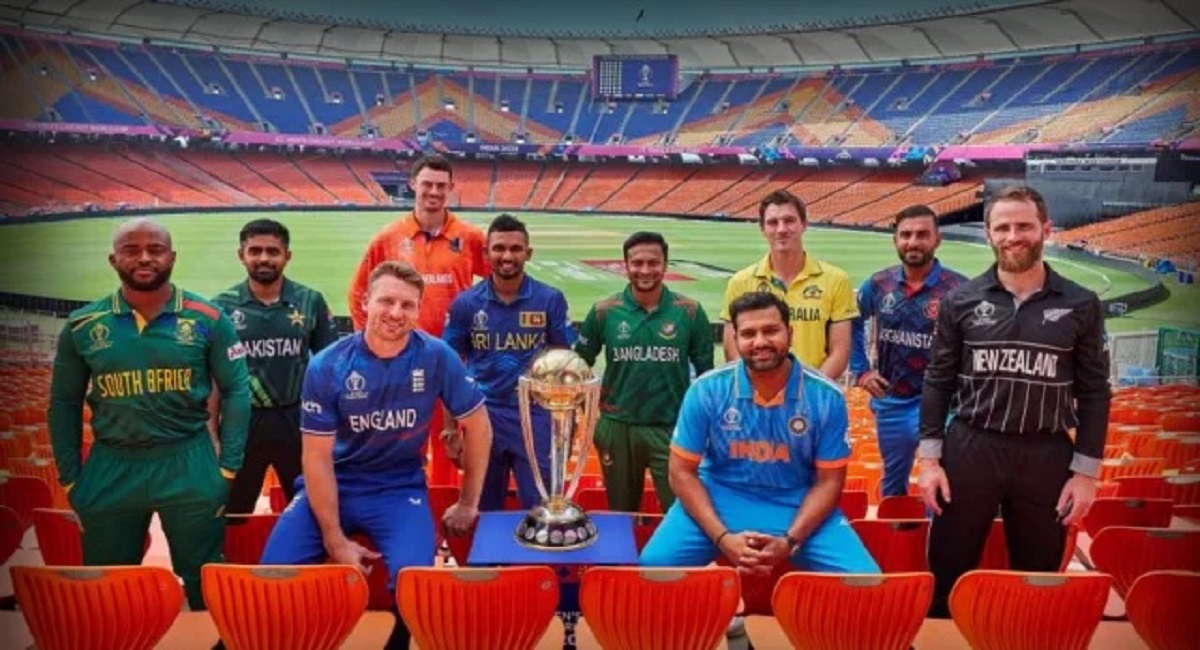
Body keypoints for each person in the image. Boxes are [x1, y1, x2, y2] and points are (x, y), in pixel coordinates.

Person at [262, 260, 491, 649]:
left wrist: (469, 502)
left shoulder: (436, 356)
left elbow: (480, 426)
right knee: (273, 574)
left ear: (418, 310)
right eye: (386, 301)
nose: (396, 313)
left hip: (398, 489)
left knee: (413, 580)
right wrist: (334, 540)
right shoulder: (328, 364)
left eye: (407, 305)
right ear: (365, 302)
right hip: (335, 483)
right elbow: (316, 458)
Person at [918, 185, 1110, 617]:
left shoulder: (1081, 303)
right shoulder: (960, 301)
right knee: (948, 575)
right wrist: (929, 461)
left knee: (1036, 578)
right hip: (971, 446)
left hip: (1046, 452)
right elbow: (938, 380)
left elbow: (1095, 391)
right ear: (988, 233)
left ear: (1046, 229)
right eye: (1002, 227)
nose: (1012, 236)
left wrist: (1086, 474)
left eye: (1023, 226)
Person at [47, 218, 250, 611]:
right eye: (131, 249)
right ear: (113, 260)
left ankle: (215, 636)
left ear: (172, 257)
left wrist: (228, 467)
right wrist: (71, 478)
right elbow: (64, 403)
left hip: (188, 461)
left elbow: (237, 391)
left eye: (155, 250)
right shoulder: (83, 325)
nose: (144, 258)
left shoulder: (207, 318)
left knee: (205, 582)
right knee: (106, 588)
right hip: (112, 464)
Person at [640, 291, 878, 576]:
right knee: (653, 566)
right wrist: (722, 538)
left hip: (796, 502)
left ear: (790, 333)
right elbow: (680, 472)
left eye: (771, 331)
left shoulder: (826, 396)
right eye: (748, 334)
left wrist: (789, 541)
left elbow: (830, 482)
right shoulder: (707, 390)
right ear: (735, 339)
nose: (760, 342)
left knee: (865, 579)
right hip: (719, 497)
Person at [347, 153, 489, 487]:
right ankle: (405, 506)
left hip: (454, 360)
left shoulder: (470, 237)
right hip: (402, 361)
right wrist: (373, 348)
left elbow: (499, 284)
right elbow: (359, 294)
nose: (434, 192)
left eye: (441, 185)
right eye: (427, 184)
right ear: (413, 184)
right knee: (402, 442)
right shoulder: (388, 238)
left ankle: (445, 510)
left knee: (450, 447)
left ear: (451, 188)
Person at [574, 232, 714, 513]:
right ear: (625, 265)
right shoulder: (604, 312)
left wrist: (700, 426)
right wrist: (592, 416)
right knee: (621, 512)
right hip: (617, 426)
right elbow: (577, 365)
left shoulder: (689, 312)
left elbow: (706, 377)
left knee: (680, 511)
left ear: (665, 265)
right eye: (637, 263)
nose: (645, 270)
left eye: (653, 263)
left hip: (671, 427)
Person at [443, 214, 575, 511]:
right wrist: (450, 429)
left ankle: (536, 546)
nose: (507, 256)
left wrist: (567, 426)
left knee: (540, 508)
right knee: (483, 508)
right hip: (483, 415)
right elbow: (450, 369)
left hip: (535, 416)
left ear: (528, 253)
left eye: (515, 249)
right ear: (486, 253)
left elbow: (565, 363)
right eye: (499, 248)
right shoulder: (466, 303)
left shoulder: (549, 299)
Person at [212, 219, 339, 514]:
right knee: (233, 512)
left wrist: (334, 429)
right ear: (241, 255)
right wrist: (212, 436)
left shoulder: (310, 301)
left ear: (287, 256)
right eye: (255, 251)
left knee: (313, 507)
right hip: (241, 423)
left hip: (297, 419)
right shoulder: (221, 307)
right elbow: (212, 380)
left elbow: (331, 370)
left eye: (273, 251)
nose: (264, 258)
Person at [850, 205, 967, 498]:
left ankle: (935, 527)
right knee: (893, 481)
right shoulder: (878, 284)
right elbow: (851, 323)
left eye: (922, 234)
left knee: (942, 481)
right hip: (892, 399)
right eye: (906, 235)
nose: (913, 242)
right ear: (895, 240)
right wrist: (861, 371)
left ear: (937, 239)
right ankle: (896, 525)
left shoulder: (960, 289)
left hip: (943, 404)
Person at [721, 190, 857, 380]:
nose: (781, 229)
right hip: (757, 391)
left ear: (804, 224)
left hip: (812, 391)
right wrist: (761, 387)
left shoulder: (836, 280)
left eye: (789, 220)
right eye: (772, 222)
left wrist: (808, 390)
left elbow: (840, 351)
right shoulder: (740, 282)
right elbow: (733, 350)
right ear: (762, 229)